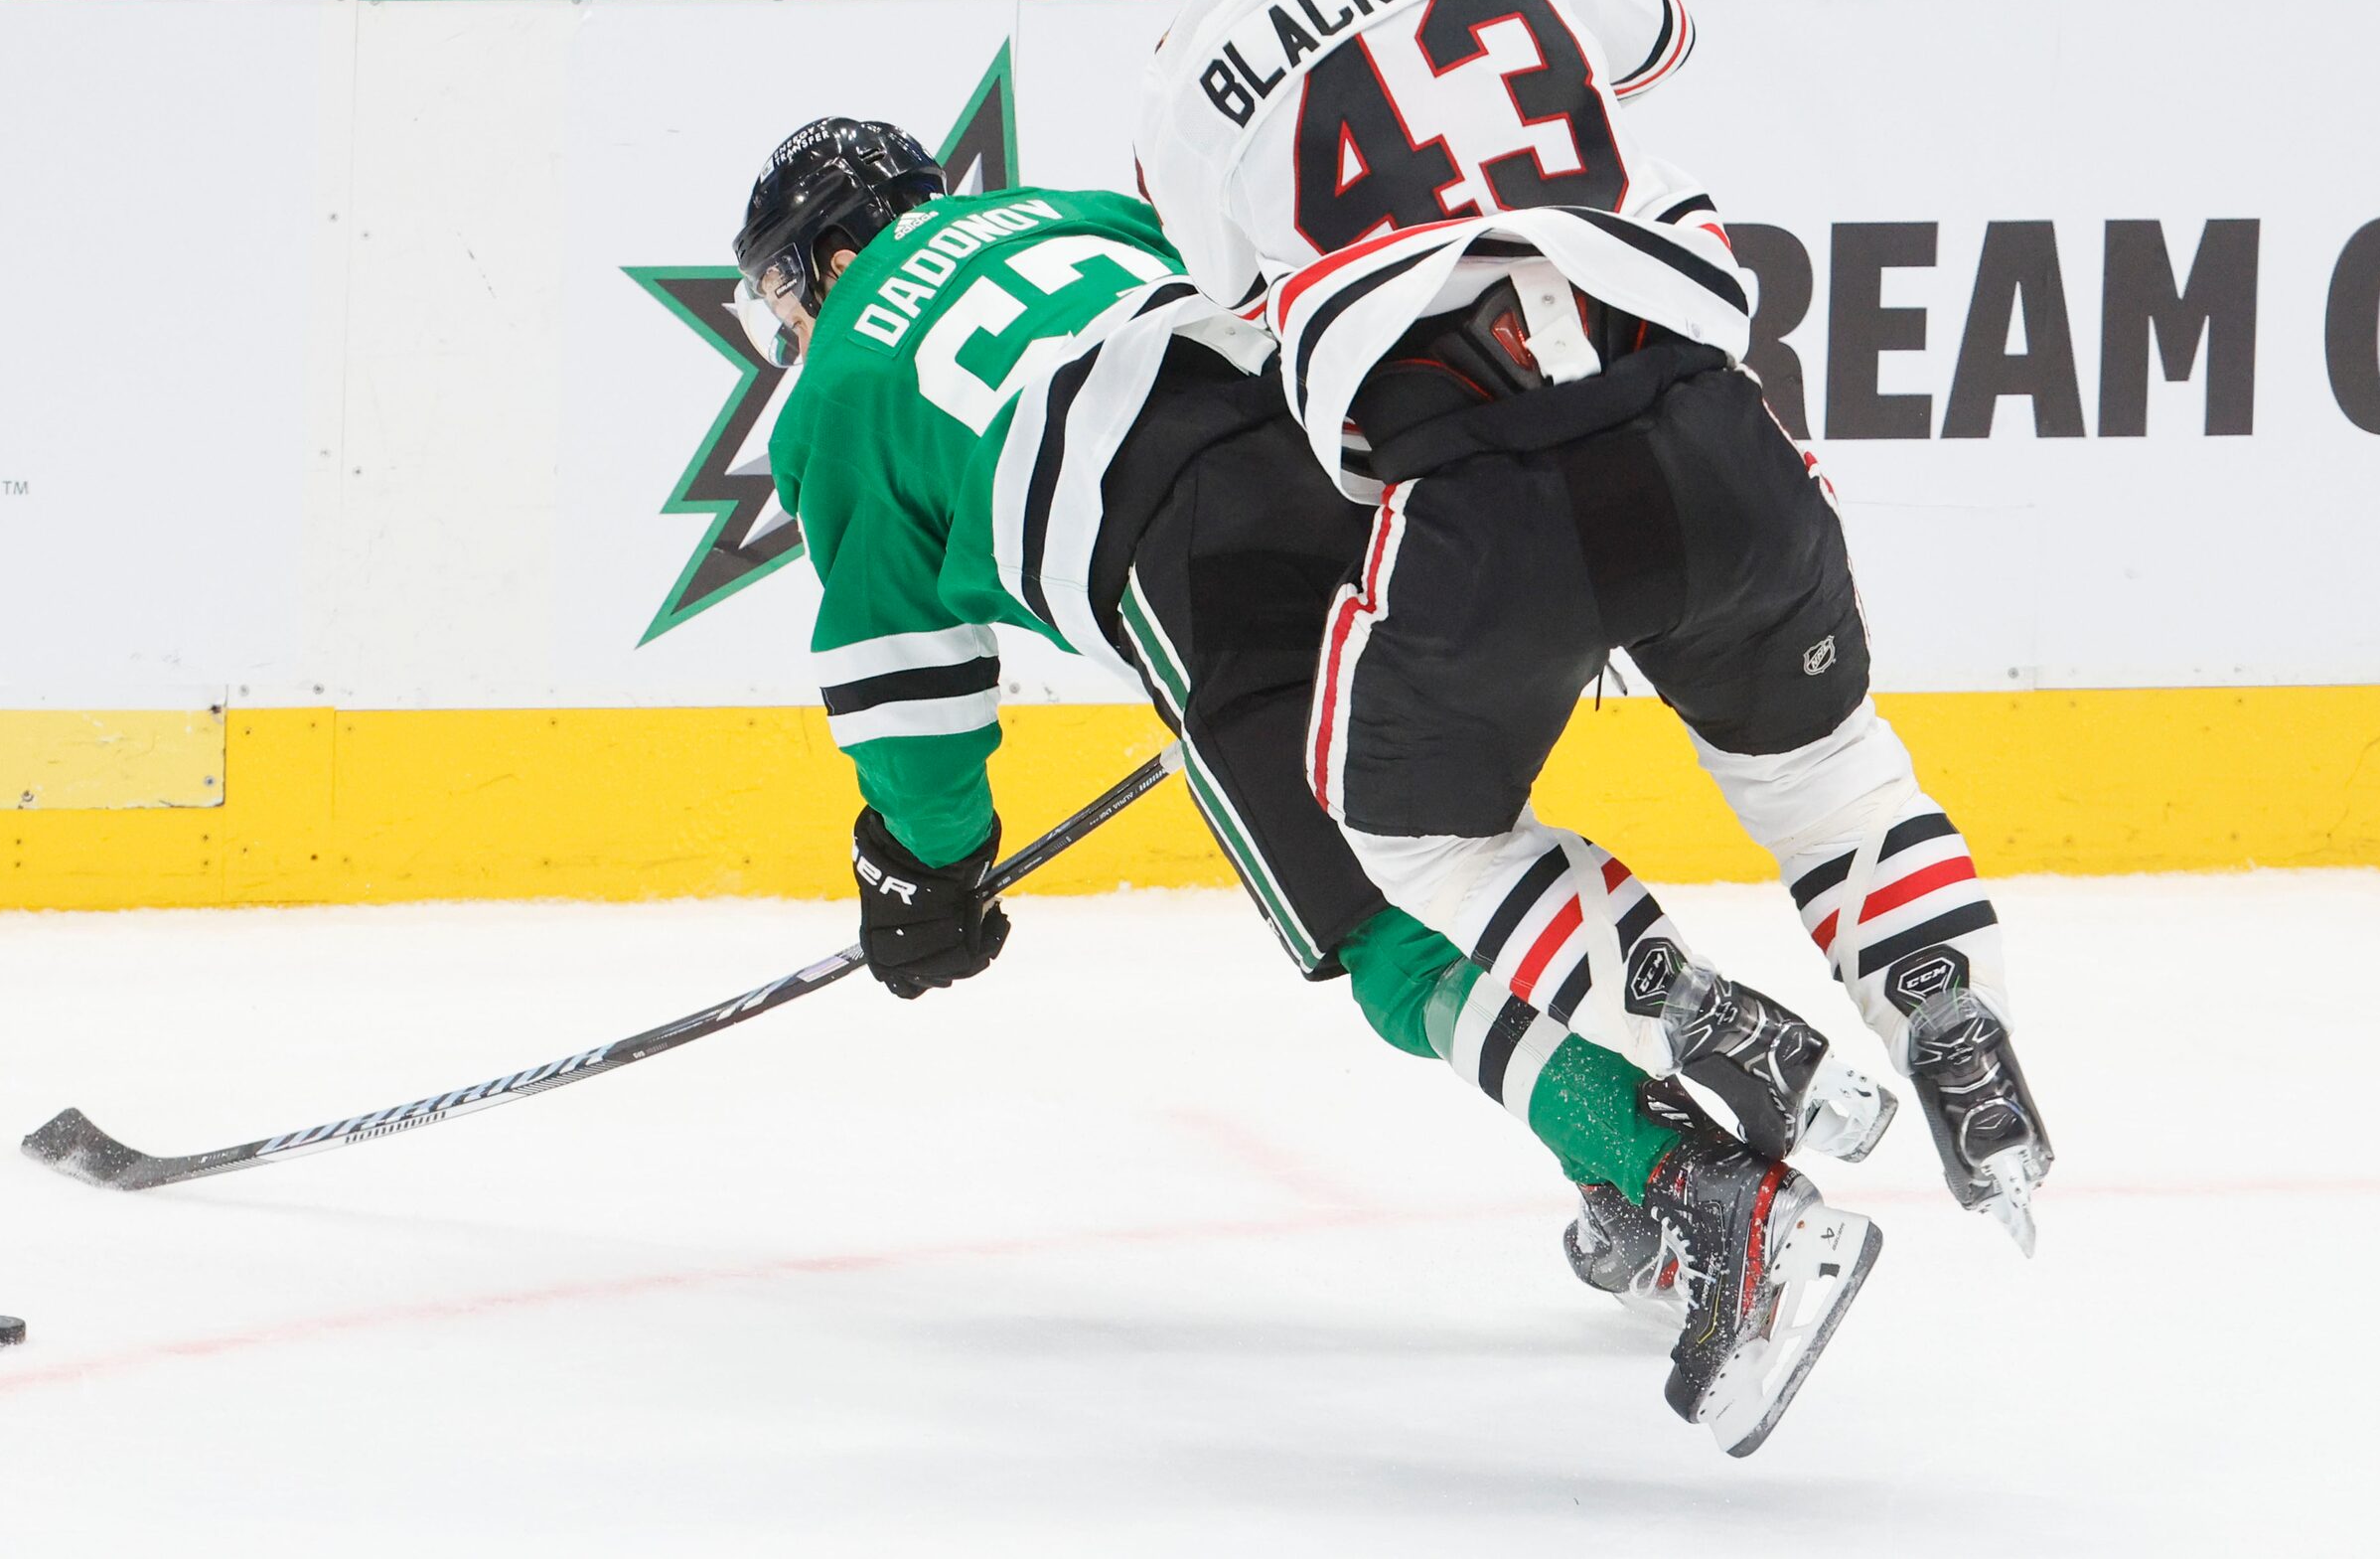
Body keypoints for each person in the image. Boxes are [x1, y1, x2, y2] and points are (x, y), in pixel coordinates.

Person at [735, 116, 1894, 1457]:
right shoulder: (1069, 213)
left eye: (782, 285)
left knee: (1388, 942)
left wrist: (926, 866)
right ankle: (1625, 1150)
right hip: (1387, 484)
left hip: (1191, 561)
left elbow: (910, 683)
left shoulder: (834, 393)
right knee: (1443, 844)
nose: (787, 322)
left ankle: (1709, 1194)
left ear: (830, 250)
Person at [1136, 0, 2054, 1287]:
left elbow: (1232, 287)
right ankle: (1950, 1013)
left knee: (1398, 833)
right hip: (1701, 422)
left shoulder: (1195, 50)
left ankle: (1678, 998)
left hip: (1476, 496)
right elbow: (1651, 32)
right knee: (1825, 773)